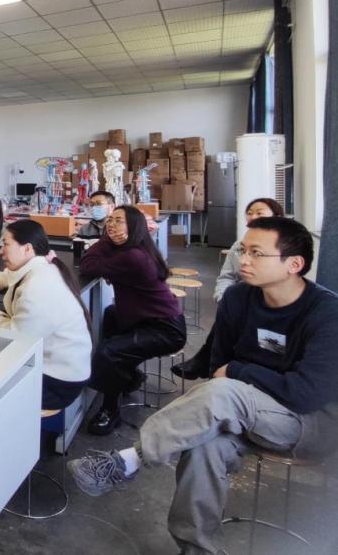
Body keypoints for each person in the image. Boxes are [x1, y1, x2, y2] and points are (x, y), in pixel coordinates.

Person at [67, 217, 338, 555]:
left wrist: (240, 371)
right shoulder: (238, 299)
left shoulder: (326, 313)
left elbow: (305, 393)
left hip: (304, 422)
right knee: (202, 449)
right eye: (243, 251)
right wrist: (236, 376)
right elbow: (216, 365)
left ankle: (130, 459)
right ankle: (197, 548)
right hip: (238, 412)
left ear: (294, 264)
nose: (243, 260)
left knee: (226, 391)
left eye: (256, 253)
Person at [80, 205, 186, 435]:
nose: (111, 224)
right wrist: (109, 240)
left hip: (165, 330)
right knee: (111, 315)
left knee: (108, 352)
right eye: (110, 220)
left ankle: (110, 410)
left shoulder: (133, 256)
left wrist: (104, 240)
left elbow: (87, 264)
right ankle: (129, 377)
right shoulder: (137, 249)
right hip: (147, 319)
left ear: (135, 227)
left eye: (118, 221)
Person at [0, 219, 92, 409]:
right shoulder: (39, 266)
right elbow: (6, 276)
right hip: (62, 367)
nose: (0, 250)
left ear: (27, 248)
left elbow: (16, 337)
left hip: (57, 381)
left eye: (6, 244)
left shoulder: (38, 287)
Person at [173, 197, 285, 380]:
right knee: (229, 316)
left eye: (260, 213)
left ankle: (208, 362)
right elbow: (227, 276)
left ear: (277, 217)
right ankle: (215, 369)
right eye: (249, 213)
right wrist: (224, 299)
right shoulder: (239, 246)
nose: (253, 217)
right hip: (241, 302)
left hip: (269, 308)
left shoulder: (284, 247)